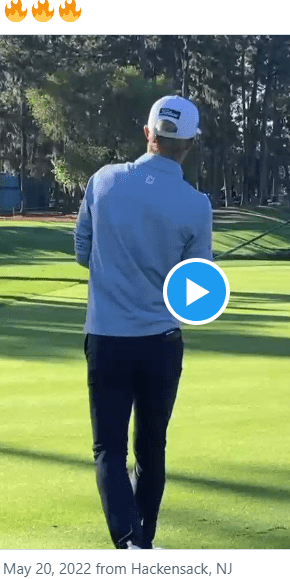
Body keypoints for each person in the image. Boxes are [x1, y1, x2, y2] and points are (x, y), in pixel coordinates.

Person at [74, 96, 213, 549]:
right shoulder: (196, 205)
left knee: (109, 449)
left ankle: (130, 542)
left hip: (107, 338)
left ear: (148, 133)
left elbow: (82, 252)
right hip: (160, 343)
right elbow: (194, 288)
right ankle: (141, 543)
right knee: (151, 447)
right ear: (189, 143)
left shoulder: (104, 180)